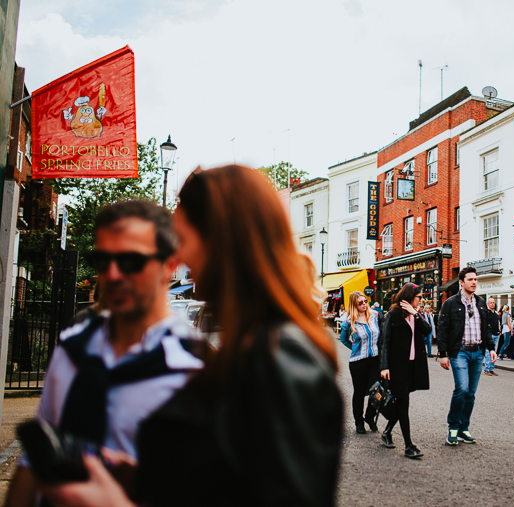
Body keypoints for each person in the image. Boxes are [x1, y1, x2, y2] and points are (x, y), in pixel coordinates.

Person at [40, 165, 343, 507]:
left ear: (223, 239)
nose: (178, 256)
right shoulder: (253, 346)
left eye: (183, 240)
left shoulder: (284, 357)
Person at [7, 201, 204, 507]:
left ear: (168, 265)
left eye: (130, 261)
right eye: (103, 260)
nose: (112, 275)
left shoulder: (195, 371)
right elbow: (35, 462)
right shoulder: (72, 350)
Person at [437, 266, 497, 446]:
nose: (474, 282)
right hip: (460, 352)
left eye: (476, 279)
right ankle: (453, 428)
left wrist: (491, 348)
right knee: (461, 389)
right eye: (470, 280)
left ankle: (463, 428)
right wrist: (442, 354)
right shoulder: (451, 303)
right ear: (461, 282)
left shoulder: (480, 303)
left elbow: (486, 329)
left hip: (478, 352)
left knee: (470, 393)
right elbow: (443, 330)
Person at [379, 283, 430, 459]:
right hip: (396, 366)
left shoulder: (416, 316)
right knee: (404, 403)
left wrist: (415, 314)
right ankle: (409, 445)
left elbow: (428, 330)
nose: (421, 300)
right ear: (409, 297)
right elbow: (384, 342)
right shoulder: (393, 315)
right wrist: (384, 366)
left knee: (401, 402)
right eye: (419, 298)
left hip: (412, 366)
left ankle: (386, 432)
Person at [340, 291, 381, 433]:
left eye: (365, 301)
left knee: (376, 391)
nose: (364, 304)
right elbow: (344, 339)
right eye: (360, 302)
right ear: (354, 305)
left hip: (375, 359)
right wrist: (355, 348)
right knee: (359, 392)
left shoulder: (374, 316)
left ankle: (369, 416)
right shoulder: (349, 322)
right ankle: (359, 422)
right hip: (358, 361)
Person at [482, 298, 500, 376]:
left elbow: (498, 323)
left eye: (493, 302)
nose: (492, 304)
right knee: (488, 352)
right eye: (491, 303)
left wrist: (499, 330)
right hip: (490, 335)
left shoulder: (495, 314)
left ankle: (491, 369)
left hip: (497, 334)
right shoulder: (486, 313)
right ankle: (487, 369)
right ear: (488, 304)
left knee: (494, 352)